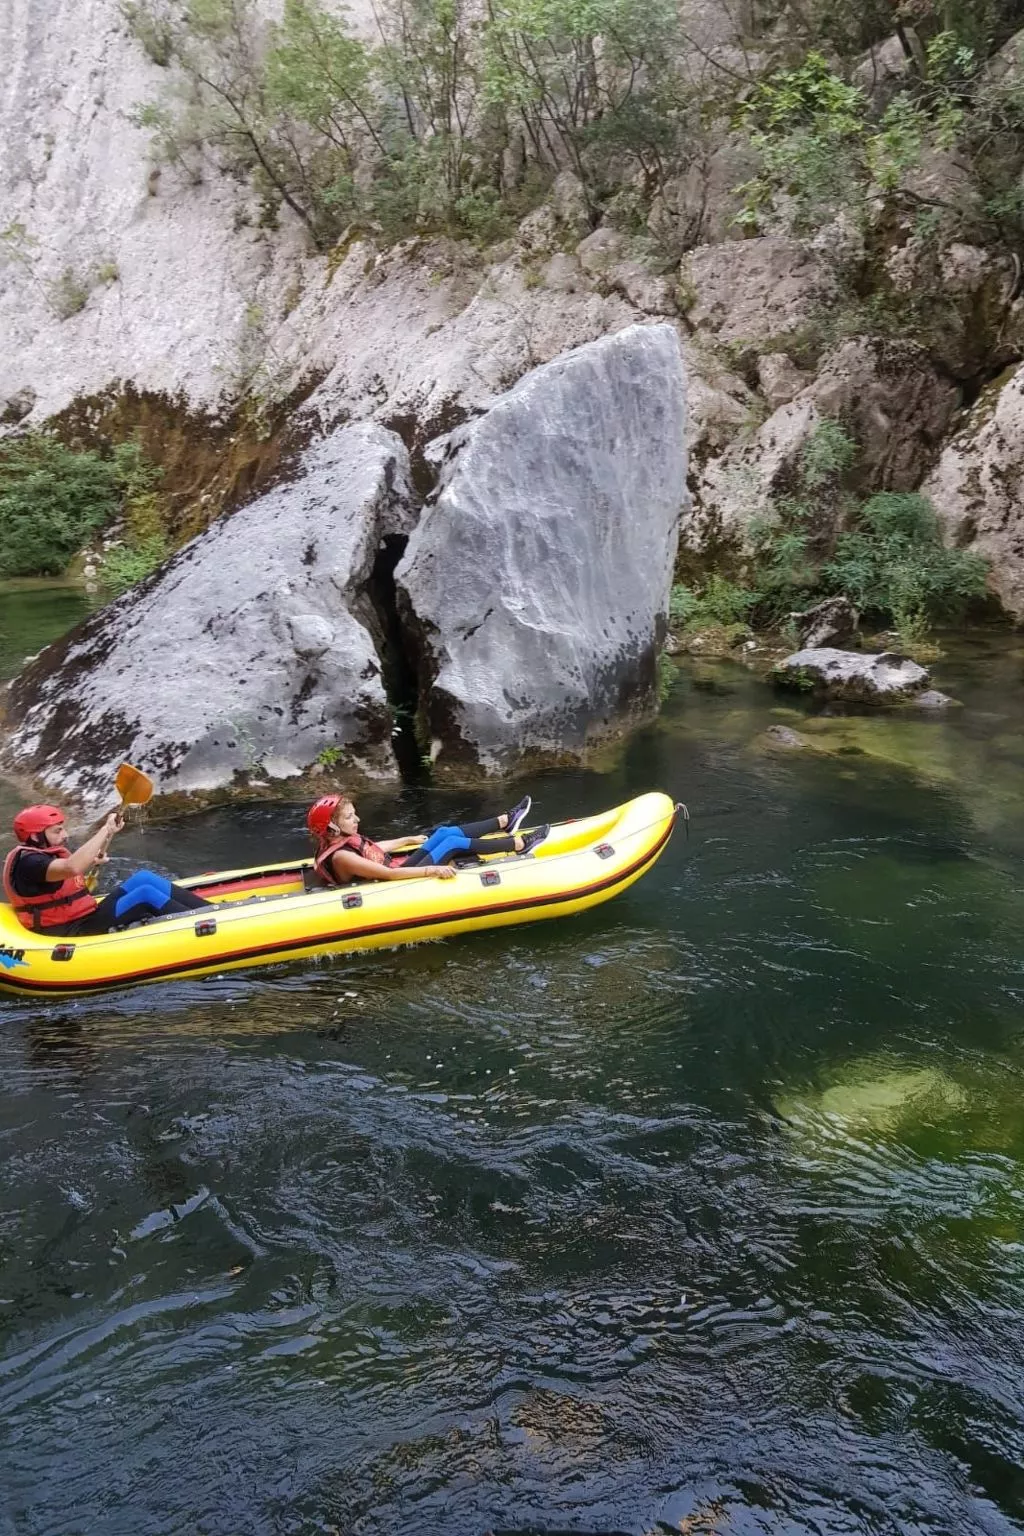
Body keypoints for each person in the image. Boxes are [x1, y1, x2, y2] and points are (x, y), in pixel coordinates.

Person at [3, 804, 212, 936]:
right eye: (57, 831)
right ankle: (208, 924)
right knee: (145, 895)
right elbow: (71, 867)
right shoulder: (28, 862)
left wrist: (92, 860)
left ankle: (211, 910)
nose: (65, 835)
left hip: (84, 916)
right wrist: (106, 829)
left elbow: (61, 879)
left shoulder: (42, 855)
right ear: (34, 836)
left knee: (144, 878)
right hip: (69, 930)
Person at [306, 792, 550, 888]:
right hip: (390, 883)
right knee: (451, 844)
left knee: (443, 833)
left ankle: (505, 821)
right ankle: (519, 845)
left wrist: (406, 839)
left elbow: (370, 849)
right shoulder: (342, 857)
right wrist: (431, 870)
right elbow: (388, 875)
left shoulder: (339, 843)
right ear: (331, 827)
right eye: (349, 817)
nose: (357, 819)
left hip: (394, 869)